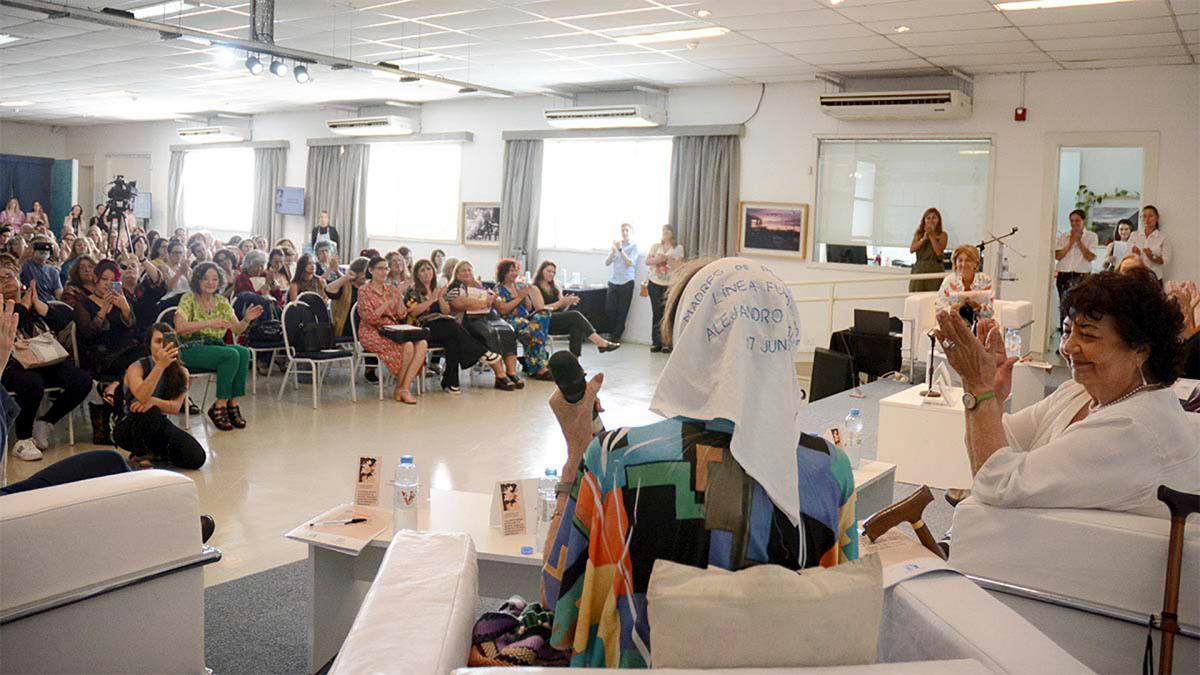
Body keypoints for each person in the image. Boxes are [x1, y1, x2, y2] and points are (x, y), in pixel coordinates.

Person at [538, 258, 858, 667]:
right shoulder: (829, 468)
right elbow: (839, 614)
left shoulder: (616, 459)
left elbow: (555, 602)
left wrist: (576, 455)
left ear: (683, 335)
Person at [933, 268, 1199, 516]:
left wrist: (977, 388)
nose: (1069, 347)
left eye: (1087, 335)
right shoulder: (1079, 391)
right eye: (1067, 331)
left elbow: (997, 484)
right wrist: (992, 396)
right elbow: (1004, 442)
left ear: (1140, 350)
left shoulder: (1131, 428)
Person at [0, 261, 92, 461]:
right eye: (0, 279)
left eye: (9, 276)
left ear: (19, 280)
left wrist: (42, 308)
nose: (5, 281)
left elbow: (64, 323)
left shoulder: (34, 303)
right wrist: (24, 305)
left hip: (44, 356)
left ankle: (46, 421)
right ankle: (23, 438)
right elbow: (16, 319)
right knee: (33, 383)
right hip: (11, 364)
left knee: (82, 380)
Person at [174, 262, 263, 431]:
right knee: (231, 355)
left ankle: (233, 404)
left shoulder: (222, 301)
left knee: (243, 353)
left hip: (215, 346)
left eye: (215, 279)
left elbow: (236, 329)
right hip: (190, 347)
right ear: (198, 281)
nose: (210, 282)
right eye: (206, 278)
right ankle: (219, 406)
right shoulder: (189, 298)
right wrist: (209, 323)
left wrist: (246, 319)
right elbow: (180, 327)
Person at [113, 323, 205, 470]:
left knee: (196, 457)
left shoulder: (182, 372)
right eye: (157, 341)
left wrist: (153, 401)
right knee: (149, 411)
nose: (163, 345)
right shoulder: (136, 367)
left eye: (166, 341)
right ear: (149, 345)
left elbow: (175, 407)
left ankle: (156, 452)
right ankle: (140, 455)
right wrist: (160, 366)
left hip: (158, 424)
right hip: (130, 425)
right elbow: (141, 396)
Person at [405, 259, 505, 393]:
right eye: (422, 270)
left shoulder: (438, 288)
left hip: (441, 325)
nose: (426, 273)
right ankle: (481, 352)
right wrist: (431, 300)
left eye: (429, 269)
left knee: (452, 340)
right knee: (452, 327)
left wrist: (441, 298)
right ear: (416, 275)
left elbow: (446, 311)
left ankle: (450, 382)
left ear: (433, 272)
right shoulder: (413, 291)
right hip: (422, 326)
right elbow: (412, 312)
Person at [356, 256, 427, 404]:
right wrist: (388, 301)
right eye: (380, 268)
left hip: (392, 328)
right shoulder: (364, 290)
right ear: (371, 270)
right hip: (372, 331)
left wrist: (399, 298)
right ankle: (401, 388)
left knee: (422, 344)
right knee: (407, 346)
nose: (384, 272)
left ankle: (403, 387)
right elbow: (370, 318)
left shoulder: (391, 289)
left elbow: (400, 314)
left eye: (386, 268)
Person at [446, 260, 520, 391]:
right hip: (467, 321)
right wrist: (486, 302)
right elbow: (461, 304)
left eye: (469, 269)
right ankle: (500, 375)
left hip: (487, 317)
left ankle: (511, 372)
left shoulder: (480, 286)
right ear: (456, 274)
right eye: (463, 270)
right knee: (489, 332)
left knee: (508, 330)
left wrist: (490, 299)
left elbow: (495, 301)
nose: (467, 272)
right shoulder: (455, 288)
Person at [74, 259, 143, 381]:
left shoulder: (121, 299)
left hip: (125, 348)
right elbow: (88, 333)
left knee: (147, 352)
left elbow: (132, 328)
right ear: (96, 279)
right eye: (104, 279)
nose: (107, 284)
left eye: (113, 281)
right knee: (136, 362)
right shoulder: (83, 303)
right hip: (101, 355)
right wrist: (103, 309)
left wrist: (126, 309)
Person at [532, 260, 618, 357]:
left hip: (557, 319)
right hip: (544, 320)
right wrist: (561, 302)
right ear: (541, 271)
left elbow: (562, 310)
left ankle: (575, 362)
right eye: (548, 271)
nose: (551, 274)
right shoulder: (535, 287)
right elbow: (540, 309)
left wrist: (567, 303)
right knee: (575, 315)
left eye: (553, 272)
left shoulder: (556, 287)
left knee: (576, 327)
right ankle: (600, 342)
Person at [493, 258, 552, 380]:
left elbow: (529, 307)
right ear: (503, 272)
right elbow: (503, 310)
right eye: (511, 271)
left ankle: (529, 335)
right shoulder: (498, 290)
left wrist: (525, 296)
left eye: (516, 270)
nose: (514, 273)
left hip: (525, 319)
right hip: (508, 321)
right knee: (536, 335)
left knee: (544, 314)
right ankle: (540, 367)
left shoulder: (518, 286)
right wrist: (519, 297)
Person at [645, 224, 684, 352]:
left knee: (667, 313)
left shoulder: (678, 248)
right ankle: (656, 342)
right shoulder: (656, 247)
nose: (665, 233)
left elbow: (678, 265)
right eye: (663, 231)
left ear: (672, 233)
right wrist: (658, 259)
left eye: (667, 231)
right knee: (656, 313)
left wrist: (667, 259)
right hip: (654, 282)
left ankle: (667, 342)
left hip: (670, 284)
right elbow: (648, 261)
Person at [935, 244, 994, 323]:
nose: (963, 264)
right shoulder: (949, 280)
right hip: (954, 323)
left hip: (979, 324)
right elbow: (939, 309)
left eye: (968, 260)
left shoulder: (985, 280)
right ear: (955, 263)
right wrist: (954, 308)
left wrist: (978, 307)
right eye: (960, 260)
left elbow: (991, 312)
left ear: (976, 263)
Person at [1053, 208, 1098, 307]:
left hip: (1081, 276)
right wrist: (1071, 242)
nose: (1074, 223)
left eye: (1077, 220)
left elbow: (1090, 257)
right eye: (1072, 221)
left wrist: (1079, 241)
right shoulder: (1064, 236)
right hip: (1064, 275)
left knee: (1079, 306)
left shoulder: (1091, 236)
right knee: (1064, 306)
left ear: (1084, 221)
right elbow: (1058, 256)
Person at [603, 223, 639, 342]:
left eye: (627, 230)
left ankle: (616, 336)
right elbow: (607, 262)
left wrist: (620, 250)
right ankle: (610, 332)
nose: (624, 232)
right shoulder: (616, 245)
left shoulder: (634, 246)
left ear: (631, 232)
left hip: (627, 281)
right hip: (614, 281)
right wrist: (613, 252)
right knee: (610, 308)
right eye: (622, 230)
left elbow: (630, 263)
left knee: (622, 310)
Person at [909, 207, 948, 292]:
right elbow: (912, 249)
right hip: (919, 270)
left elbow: (938, 252)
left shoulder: (943, 235)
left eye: (934, 218)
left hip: (935, 270)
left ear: (938, 220)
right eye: (928, 218)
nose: (931, 220)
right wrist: (924, 239)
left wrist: (931, 235)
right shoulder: (919, 234)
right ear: (924, 220)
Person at [1128, 204, 1171, 279]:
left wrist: (1152, 257)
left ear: (1157, 217)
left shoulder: (1163, 237)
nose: (1147, 219)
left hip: (1154, 278)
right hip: (1136, 277)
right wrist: (1135, 254)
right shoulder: (1134, 235)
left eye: (1150, 216)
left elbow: (1165, 261)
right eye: (1144, 216)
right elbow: (1127, 256)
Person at [20, 235, 63, 303]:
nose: (43, 249)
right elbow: (17, 270)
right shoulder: (25, 266)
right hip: (31, 303)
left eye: (47, 245)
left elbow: (59, 293)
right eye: (40, 246)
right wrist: (28, 251)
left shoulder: (53, 271)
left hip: (50, 304)